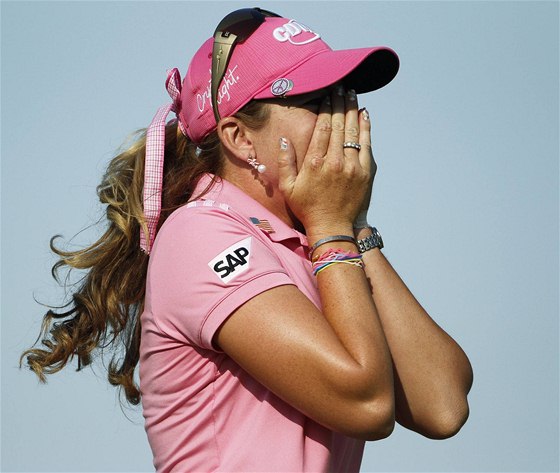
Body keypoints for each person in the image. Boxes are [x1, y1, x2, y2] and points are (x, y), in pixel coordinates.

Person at [21, 7, 473, 473]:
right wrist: (334, 227)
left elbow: (443, 406)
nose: (343, 117)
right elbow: (367, 404)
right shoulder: (199, 233)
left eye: (343, 95)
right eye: (316, 100)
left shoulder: (317, 238)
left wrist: (352, 225)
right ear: (240, 138)